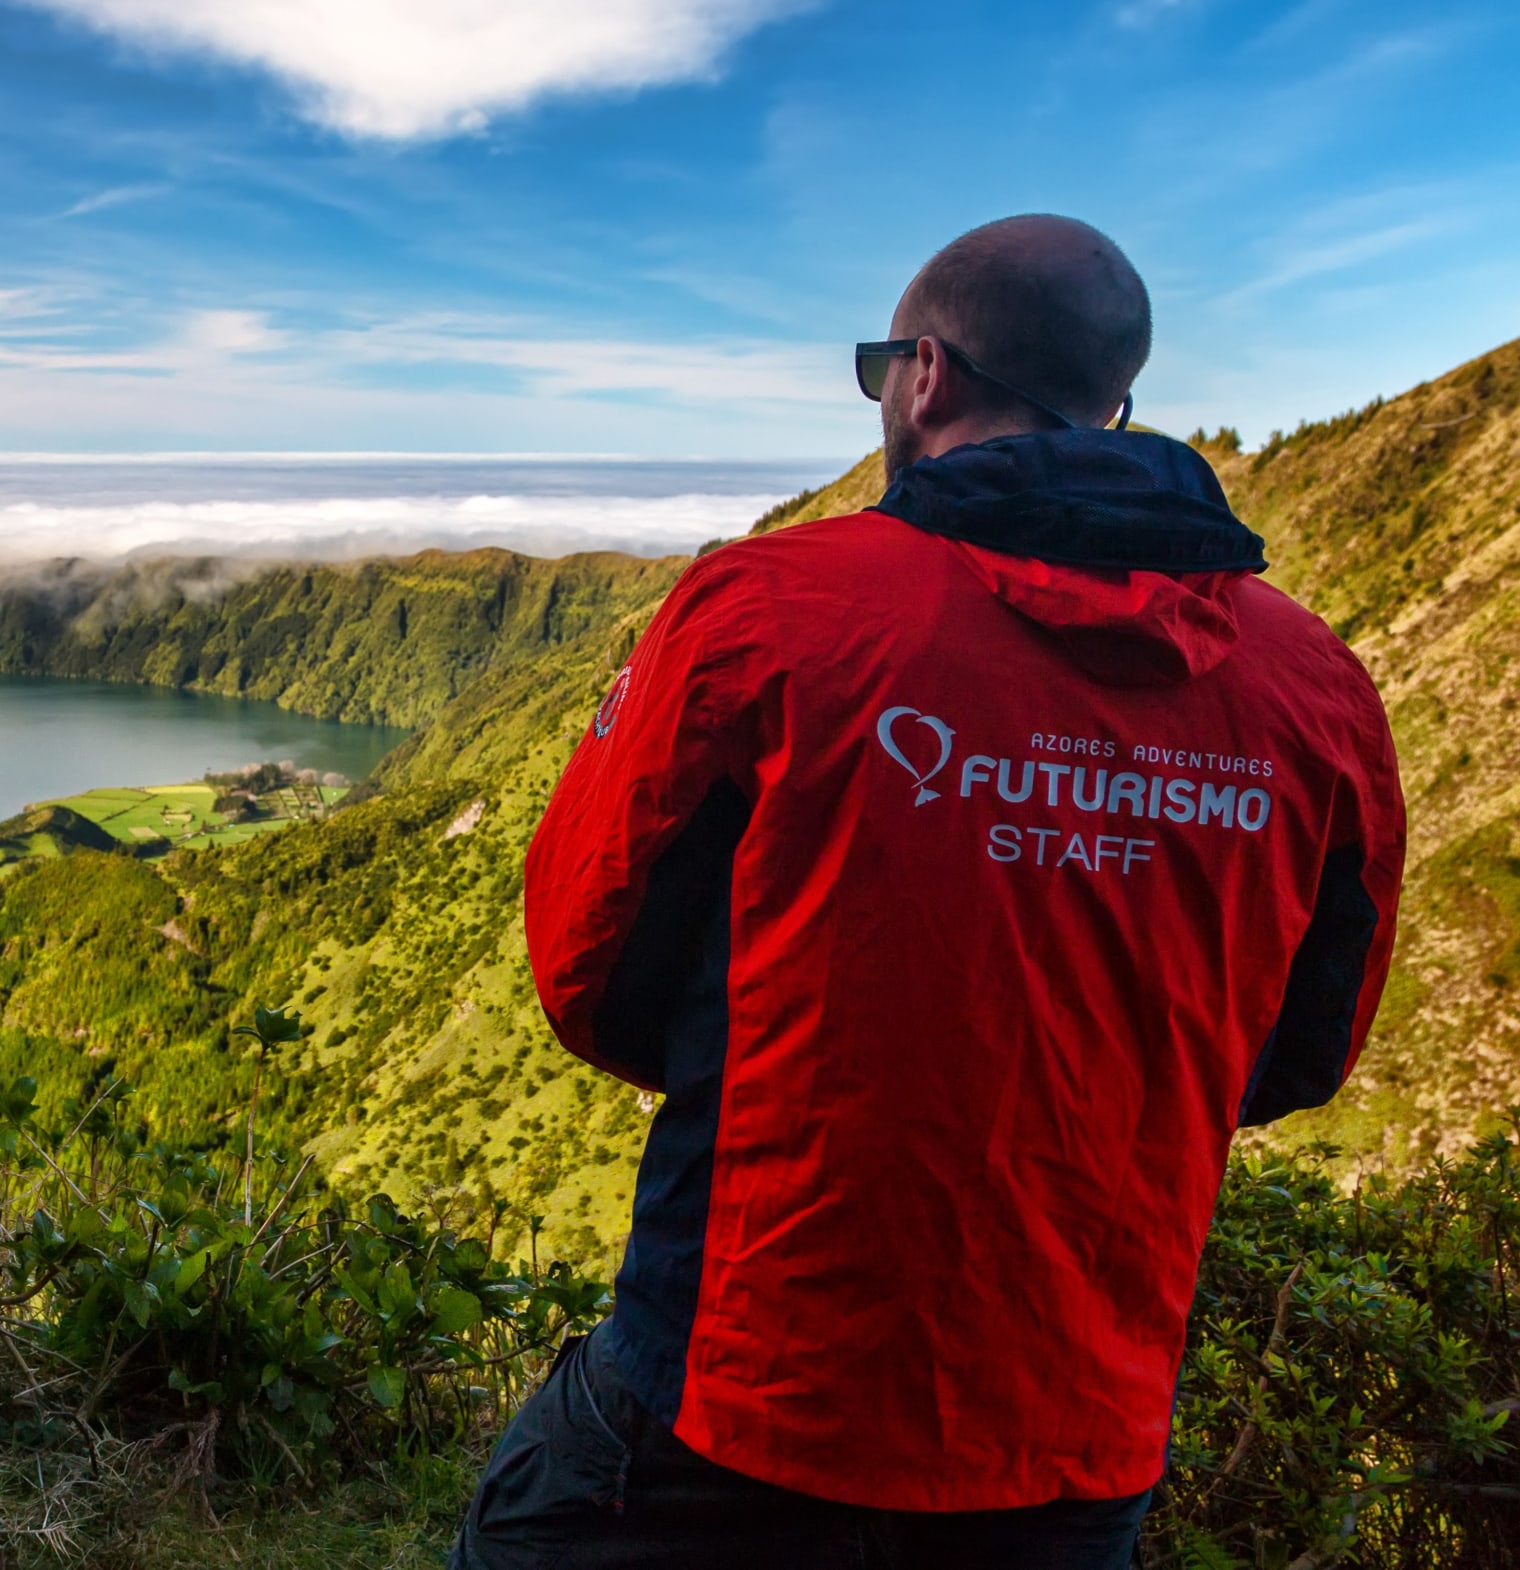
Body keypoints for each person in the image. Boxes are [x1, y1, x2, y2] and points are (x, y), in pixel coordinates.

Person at [451, 215, 1404, 1569]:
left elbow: (588, 959)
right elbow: (1303, 1046)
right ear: (1115, 405)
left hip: (737, 1379)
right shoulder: (1317, 690)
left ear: (928, 374)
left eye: (877, 367)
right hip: (1072, 1438)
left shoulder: (770, 612)